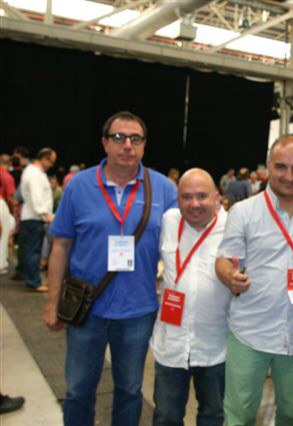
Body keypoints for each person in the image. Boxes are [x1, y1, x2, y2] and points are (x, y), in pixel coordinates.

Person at [42, 111, 177, 426]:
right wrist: (52, 302)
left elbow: (181, 243)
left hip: (137, 310)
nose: (127, 145)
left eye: (135, 139)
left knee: (129, 390)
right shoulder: (79, 186)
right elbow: (61, 246)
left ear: (144, 145)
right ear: (105, 143)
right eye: (119, 137)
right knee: (78, 390)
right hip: (86, 309)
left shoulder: (163, 188)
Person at [215, 135, 293, 426]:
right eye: (281, 167)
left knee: (291, 416)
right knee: (239, 416)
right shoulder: (244, 211)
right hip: (250, 333)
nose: (289, 176)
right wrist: (230, 276)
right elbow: (223, 259)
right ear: (268, 166)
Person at [150, 168, 231, 426]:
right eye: (186, 197)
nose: (194, 203)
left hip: (215, 347)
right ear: (178, 199)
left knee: (213, 417)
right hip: (171, 343)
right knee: (166, 417)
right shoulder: (169, 221)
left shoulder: (232, 228)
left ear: (217, 197)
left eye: (202, 196)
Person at [18, 147, 56, 292]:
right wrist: (47, 215)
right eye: (51, 162)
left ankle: (29, 278)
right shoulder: (34, 174)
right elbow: (37, 197)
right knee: (33, 251)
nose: (52, 165)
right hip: (35, 217)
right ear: (45, 159)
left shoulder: (33, 172)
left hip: (33, 216)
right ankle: (33, 282)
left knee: (30, 249)